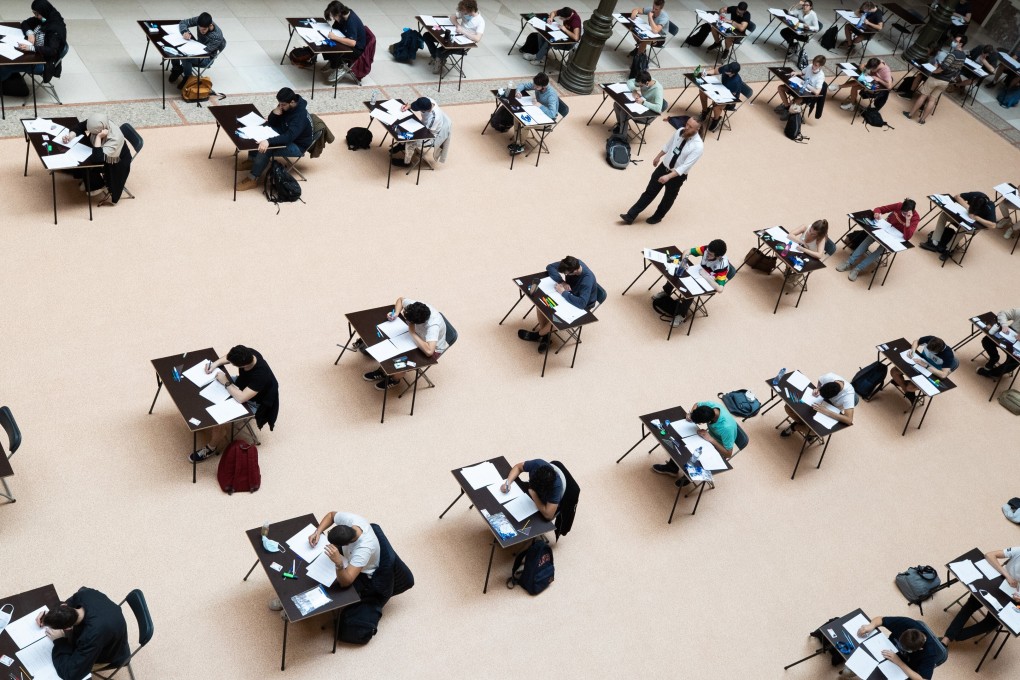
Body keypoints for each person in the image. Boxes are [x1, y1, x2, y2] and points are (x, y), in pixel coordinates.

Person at [191, 345, 279, 461]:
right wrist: (214, 364)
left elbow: (242, 398)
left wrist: (226, 382)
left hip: (253, 402)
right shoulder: (248, 353)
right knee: (210, 382)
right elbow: (228, 357)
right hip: (242, 384)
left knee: (219, 418)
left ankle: (210, 448)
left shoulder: (261, 376)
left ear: (243, 365)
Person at [619, 116, 703, 225]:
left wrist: (668, 176)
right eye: (687, 124)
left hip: (677, 176)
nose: (686, 127)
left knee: (668, 198)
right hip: (663, 167)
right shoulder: (679, 131)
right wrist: (658, 156)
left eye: (690, 127)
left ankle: (658, 217)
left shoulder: (698, 146)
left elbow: (684, 167)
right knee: (649, 192)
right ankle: (631, 215)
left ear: (697, 129)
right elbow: (668, 146)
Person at [35, 586, 130, 680]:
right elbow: (69, 602)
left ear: (67, 628)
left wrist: (59, 641)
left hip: (113, 651)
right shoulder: (85, 594)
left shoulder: (90, 636)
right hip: (110, 626)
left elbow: (71, 674)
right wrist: (51, 616)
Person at [363, 297, 453, 389]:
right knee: (390, 347)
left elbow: (429, 351)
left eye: (409, 321)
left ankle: (394, 380)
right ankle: (383, 371)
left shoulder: (433, 326)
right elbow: (401, 300)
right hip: (416, 334)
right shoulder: (415, 306)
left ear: (418, 323)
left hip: (431, 347)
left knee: (401, 362)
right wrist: (396, 313)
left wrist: (412, 333)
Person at [237, 88, 313, 192]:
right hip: (284, 132)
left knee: (267, 147)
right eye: (279, 104)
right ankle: (252, 160)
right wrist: (274, 113)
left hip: (297, 145)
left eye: (283, 105)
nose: (280, 106)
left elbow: (289, 136)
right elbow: (272, 123)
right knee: (259, 131)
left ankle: (252, 179)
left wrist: (269, 141)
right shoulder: (286, 105)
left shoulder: (300, 116)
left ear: (292, 102)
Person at [942, 546, 1020, 646]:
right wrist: (1007, 575)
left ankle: (955, 636)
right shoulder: (1018, 550)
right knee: (970, 606)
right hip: (999, 580)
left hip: (1013, 597)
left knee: (990, 623)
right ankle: (946, 640)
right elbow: (989, 555)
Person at [518, 256, 597, 353]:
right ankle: (545, 337)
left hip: (581, 305)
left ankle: (538, 335)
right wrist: (562, 281)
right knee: (542, 303)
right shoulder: (572, 263)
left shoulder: (587, 280)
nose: (565, 275)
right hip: (569, 294)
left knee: (557, 318)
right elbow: (550, 267)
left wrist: (563, 293)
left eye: (566, 274)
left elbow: (582, 303)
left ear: (575, 271)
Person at [651, 400, 738, 486]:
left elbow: (728, 454)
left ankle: (690, 475)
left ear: (707, 422)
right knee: (680, 442)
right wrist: (690, 414)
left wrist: (711, 439)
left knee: (695, 454)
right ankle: (672, 468)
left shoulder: (727, 428)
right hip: (707, 437)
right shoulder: (711, 406)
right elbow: (697, 404)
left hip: (718, 447)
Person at [60, 113, 132, 207]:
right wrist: (70, 136)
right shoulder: (100, 122)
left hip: (116, 161)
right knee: (81, 156)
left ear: (100, 131)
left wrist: (98, 137)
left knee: (88, 162)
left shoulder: (115, 139)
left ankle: (97, 186)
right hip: (102, 151)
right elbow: (81, 126)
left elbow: (97, 159)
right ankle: (88, 181)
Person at [836, 199, 918, 280]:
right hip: (884, 228)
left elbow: (907, 237)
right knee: (868, 239)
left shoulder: (915, 218)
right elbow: (880, 209)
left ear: (912, 212)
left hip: (894, 238)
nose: (903, 214)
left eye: (905, 213)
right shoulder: (899, 205)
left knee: (880, 250)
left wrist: (908, 221)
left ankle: (858, 269)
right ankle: (849, 262)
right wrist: (876, 213)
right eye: (902, 212)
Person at [651, 240, 730, 325]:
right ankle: (666, 292)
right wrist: (684, 261)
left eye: (710, 255)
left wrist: (706, 276)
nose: (707, 255)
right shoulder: (707, 249)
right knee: (678, 272)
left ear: (718, 257)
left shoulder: (722, 265)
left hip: (709, 282)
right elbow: (687, 251)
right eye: (708, 252)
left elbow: (720, 289)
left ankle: (681, 315)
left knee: (691, 291)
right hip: (697, 272)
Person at [903, 35, 966, 124]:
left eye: (956, 41)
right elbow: (958, 70)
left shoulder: (953, 54)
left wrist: (935, 71)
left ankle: (910, 114)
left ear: (961, 43)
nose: (953, 42)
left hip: (937, 78)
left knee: (923, 96)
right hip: (946, 81)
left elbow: (944, 67)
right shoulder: (963, 56)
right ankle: (922, 120)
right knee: (932, 100)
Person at [0, 1, 67, 85]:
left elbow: (52, 50)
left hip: (43, 62)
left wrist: (31, 48)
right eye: (34, 13)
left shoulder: (55, 28)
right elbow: (25, 23)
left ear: (44, 11)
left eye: (37, 13)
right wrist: (30, 33)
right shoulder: (44, 18)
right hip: (34, 52)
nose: (35, 16)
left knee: (5, 66)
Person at [857, 616, 942, 680]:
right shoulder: (908, 624)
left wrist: (899, 662)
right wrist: (871, 625)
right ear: (907, 630)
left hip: (902, 670)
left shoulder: (930, 653)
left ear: (920, 649)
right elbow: (881, 619)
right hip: (884, 651)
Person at [920, 191, 996, 260]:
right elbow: (957, 196)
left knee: (963, 228)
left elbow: (993, 225)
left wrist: (977, 218)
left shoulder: (990, 206)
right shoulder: (977, 195)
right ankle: (934, 243)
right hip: (962, 217)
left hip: (973, 227)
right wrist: (968, 208)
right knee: (944, 215)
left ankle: (948, 250)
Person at [781, 372, 856, 438]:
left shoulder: (848, 397)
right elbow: (820, 381)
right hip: (818, 403)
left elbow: (849, 420)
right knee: (789, 408)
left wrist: (826, 411)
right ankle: (804, 425)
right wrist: (818, 389)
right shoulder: (829, 377)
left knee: (813, 431)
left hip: (831, 410)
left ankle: (795, 427)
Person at [424, 0, 484, 75]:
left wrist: (462, 31)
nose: (462, 13)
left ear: (470, 10)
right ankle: (437, 57)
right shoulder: (464, 12)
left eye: (464, 11)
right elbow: (452, 17)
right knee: (427, 35)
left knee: (440, 51)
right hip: (455, 35)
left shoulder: (480, 21)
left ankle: (438, 59)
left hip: (463, 44)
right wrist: (457, 25)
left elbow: (477, 38)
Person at [169, 13, 226, 87]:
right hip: (197, 47)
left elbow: (205, 52)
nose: (201, 31)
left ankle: (188, 78)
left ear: (210, 25)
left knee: (186, 57)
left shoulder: (217, 37)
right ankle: (177, 69)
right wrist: (184, 32)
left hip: (206, 57)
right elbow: (183, 22)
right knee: (175, 48)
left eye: (204, 29)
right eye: (199, 28)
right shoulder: (199, 20)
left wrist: (189, 49)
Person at [891, 336, 955, 402]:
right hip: (917, 363)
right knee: (893, 372)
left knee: (910, 388)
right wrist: (912, 350)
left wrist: (926, 366)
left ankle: (904, 386)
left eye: (931, 352)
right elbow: (916, 341)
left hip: (930, 372)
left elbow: (943, 374)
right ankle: (906, 392)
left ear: (939, 351)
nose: (929, 352)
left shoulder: (948, 355)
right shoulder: (931, 339)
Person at [397, 97, 452, 168]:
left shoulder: (434, 118)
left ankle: (406, 163)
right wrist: (408, 106)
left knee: (410, 141)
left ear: (424, 110)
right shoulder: (428, 100)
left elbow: (426, 133)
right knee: (403, 129)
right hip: (422, 125)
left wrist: (411, 133)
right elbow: (416, 104)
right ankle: (401, 145)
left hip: (430, 135)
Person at [322, 2, 367, 84]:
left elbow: (353, 43)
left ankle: (341, 67)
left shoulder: (351, 22)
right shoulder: (343, 15)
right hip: (345, 38)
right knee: (326, 43)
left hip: (356, 49)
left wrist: (335, 37)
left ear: (339, 13)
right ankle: (333, 62)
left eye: (334, 16)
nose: (334, 19)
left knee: (334, 47)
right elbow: (335, 27)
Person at [697, 62, 745, 133]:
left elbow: (730, 97)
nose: (725, 71)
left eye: (728, 71)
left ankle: (716, 120)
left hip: (729, 100)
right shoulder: (726, 68)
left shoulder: (736, 82)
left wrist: (716, 97)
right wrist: (705, 73)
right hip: (719, 90)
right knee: (702, 91)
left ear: (733, 73)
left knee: (716, 106)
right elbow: (715, 71)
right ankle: (705, 111)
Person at [615, 70, 663, 134]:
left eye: (641, 86)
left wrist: (643, 102)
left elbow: (658, 108)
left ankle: (622, 137)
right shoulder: (643, 80)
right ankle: (620, 125)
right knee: (617, 104)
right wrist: (634, 91)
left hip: (649, 113)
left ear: (647, 83)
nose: (639, 87)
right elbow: (629, 81)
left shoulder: (658, 90)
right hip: (640, 105)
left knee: (625, 112)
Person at [977, 308, 1020, 379]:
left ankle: (990, 373)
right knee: (987, 341)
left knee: (1013, 363)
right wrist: (1004, 325)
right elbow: (1002, 313)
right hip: (1008, 335)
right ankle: (994, 358)